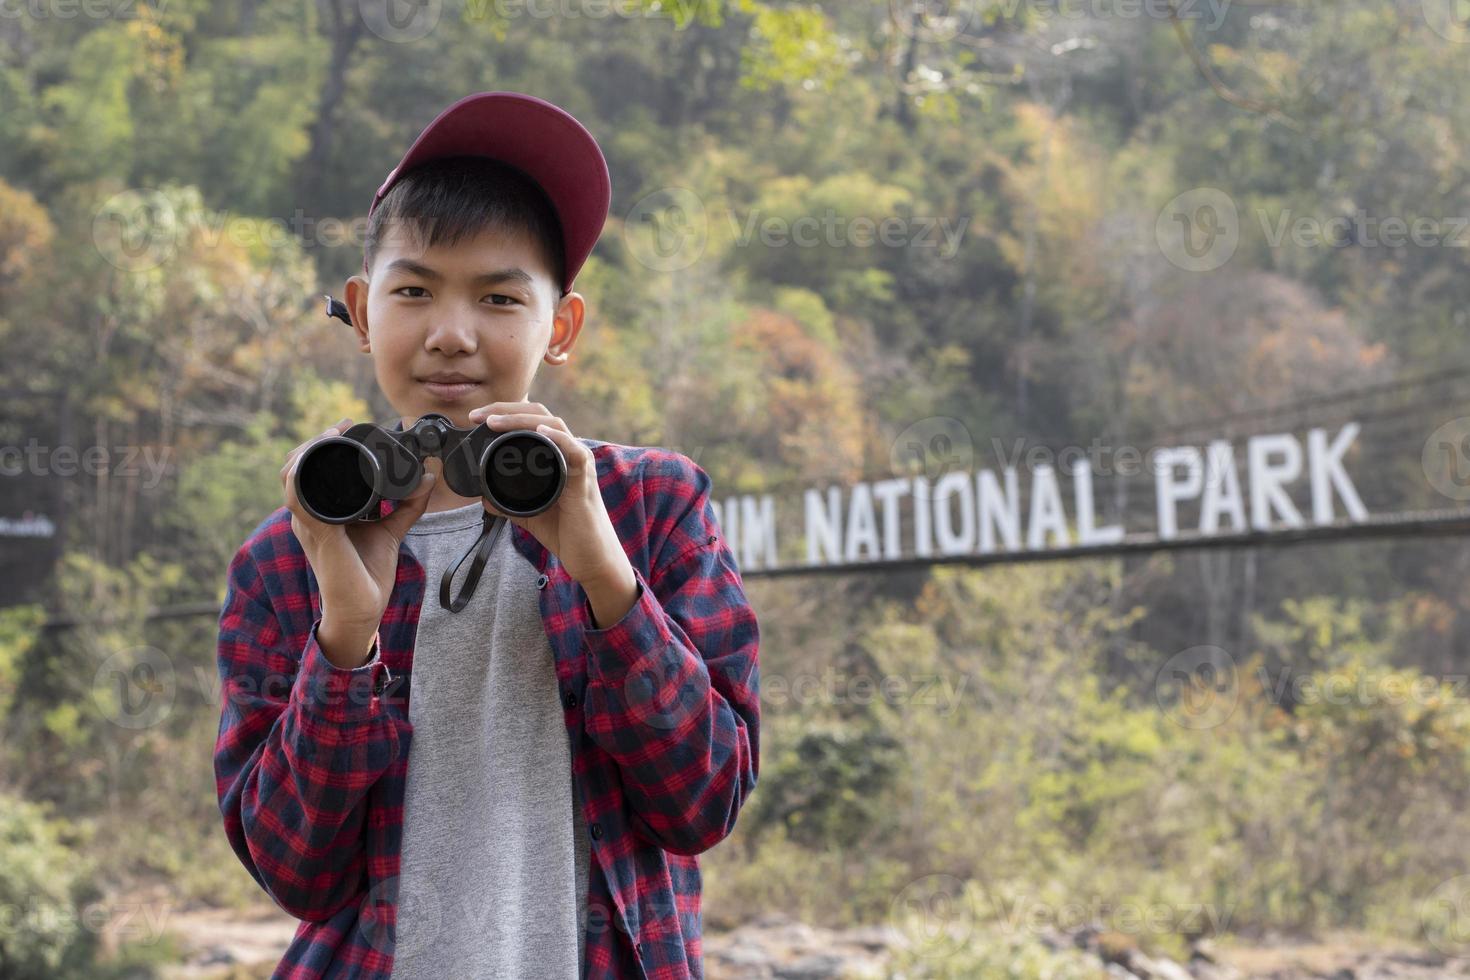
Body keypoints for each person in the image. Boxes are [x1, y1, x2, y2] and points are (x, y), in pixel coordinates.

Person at [212, 91, 761, 979]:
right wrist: (346, 640)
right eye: (414, 291)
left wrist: (606, 579)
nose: (452, 334)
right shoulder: (291, 554)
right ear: (360, 311)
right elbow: (295, 871)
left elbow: (702, 803)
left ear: (563, 327)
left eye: (501, 297)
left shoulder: (655, 506)